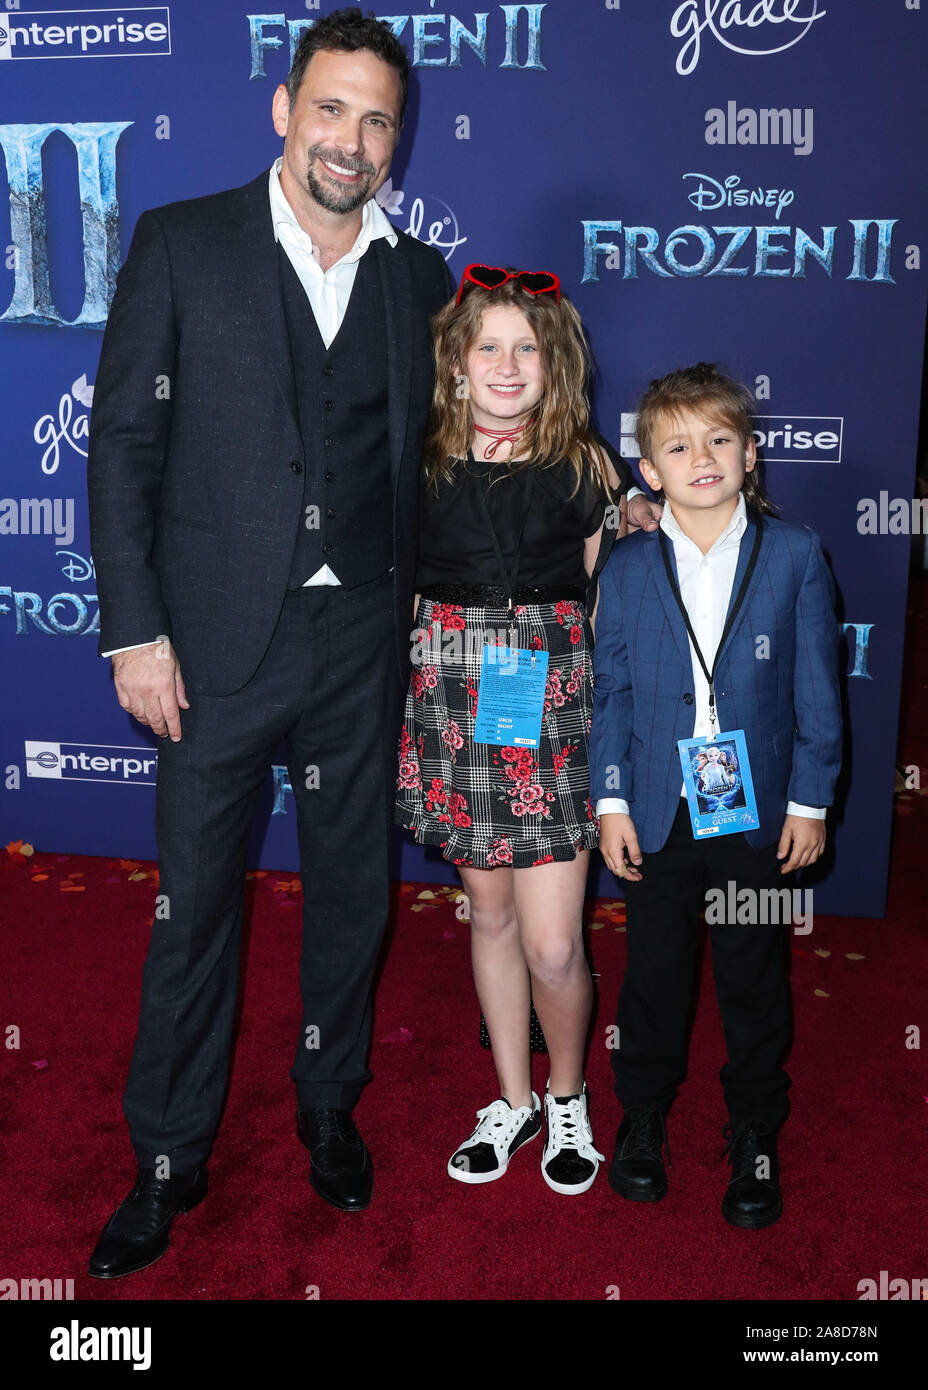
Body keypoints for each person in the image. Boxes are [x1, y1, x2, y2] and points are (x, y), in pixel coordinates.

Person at [85, 10, 454, 1279]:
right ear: (284, 108)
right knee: (193, 913)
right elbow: (124, 444)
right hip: (212, 640)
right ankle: (167, 1156)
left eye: (378, 120)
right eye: (333, 108)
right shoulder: (183, 242)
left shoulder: (419, 278)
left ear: (397, 139)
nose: (352, 139)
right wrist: (134, 629)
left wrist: (596, 504)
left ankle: (324, 1102)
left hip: (363, 639)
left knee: (352, 895)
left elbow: (447, 461)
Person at [395, 264, 661, 1194]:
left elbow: (601, 600)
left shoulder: (585, 466)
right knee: (493, 915)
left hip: (547, 706)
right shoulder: (417, 460)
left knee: (555, 941)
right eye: (489, 345)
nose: (508, 364)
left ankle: (568, 1097)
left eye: (528, 348)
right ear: (457, 363)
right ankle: (511, 1098)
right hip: (449, 702)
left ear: (555, 365)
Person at [590, 362, 843, 1228]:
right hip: (659, 807)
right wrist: (611, 800)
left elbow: (818, 690)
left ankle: (756, 1128)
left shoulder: (797, 555)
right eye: (678, 445)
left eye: (720, 439)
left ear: (751, 452)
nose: (703, 457)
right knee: (654, 976)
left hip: (754, 813)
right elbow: (612, 692)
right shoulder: (625, 567)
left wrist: (810, 802)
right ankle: (644, 1117)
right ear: (649, 472)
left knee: (750, 974)